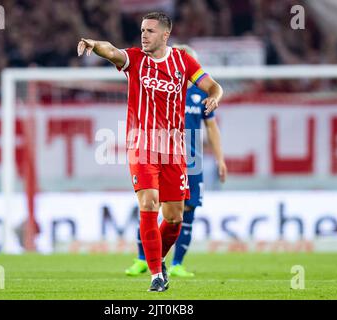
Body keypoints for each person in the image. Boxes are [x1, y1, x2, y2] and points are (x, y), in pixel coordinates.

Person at [78, 12, 223, 292]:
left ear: (165, 35)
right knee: (148, 203)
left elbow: (213, 85)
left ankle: (159, 260)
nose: (144, 35)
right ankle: (156, 274)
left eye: (150, 31)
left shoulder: (183, 62)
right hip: (142, 147)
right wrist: (95, 44)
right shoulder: (135, 59)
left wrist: (215, 97)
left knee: (174, 218)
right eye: (143, 30)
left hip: (174, 150)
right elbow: (111, 51)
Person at [125, 44, 227, 278]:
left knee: (183, 212)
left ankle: (177, 263)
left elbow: (212, 128)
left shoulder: (201, 95)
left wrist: (220, 158)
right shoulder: (162, 89)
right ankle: (145, 259)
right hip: (159, 154)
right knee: (150, 204)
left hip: (192, 160)